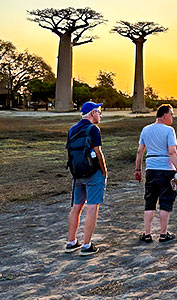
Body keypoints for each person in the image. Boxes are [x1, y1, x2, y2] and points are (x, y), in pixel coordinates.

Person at [65, 101, 107, 255]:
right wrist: (103, 171)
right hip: (92, 172)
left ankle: (71, 242)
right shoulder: (93, 129)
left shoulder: (72, 129)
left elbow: (69, 151)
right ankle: (86, 245)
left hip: (77, 173)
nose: (100, 115)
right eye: (99, 112)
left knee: (76, 207)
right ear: (92, 113)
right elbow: (98, 152)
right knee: (92, 206)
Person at [135, 104, 177, 243]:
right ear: (165, 115)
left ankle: (147, 234)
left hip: (151, 169)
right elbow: (172, 151)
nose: (173, 117)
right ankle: (163, 234)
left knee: (150, 202)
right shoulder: (169, 130)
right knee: (165, 202)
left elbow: (140, 151)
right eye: (171, 114)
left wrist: (138, 169)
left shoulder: (145, 129)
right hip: (166, 170)